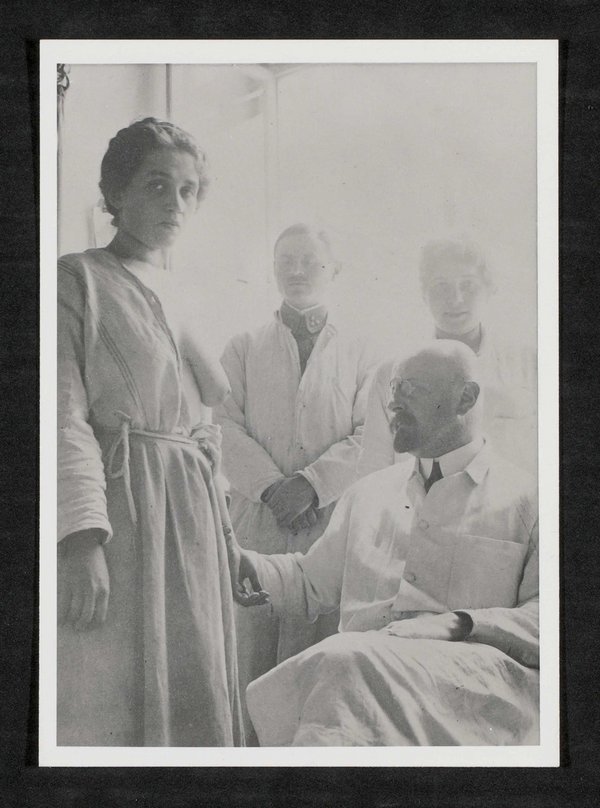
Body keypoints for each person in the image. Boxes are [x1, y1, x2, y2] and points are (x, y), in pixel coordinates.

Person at [57, 117, 266, 747]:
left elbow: (202, 428)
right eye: (155, 185)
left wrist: (227, 536)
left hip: (192, 516)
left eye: (187, 190)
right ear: (116, 192)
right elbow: (63, 417)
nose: (175, 203)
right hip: (123, 514)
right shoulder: (77, 280)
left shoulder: (184, 294)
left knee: (196, 683)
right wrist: (81, 539)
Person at [242, 341, 539, 747]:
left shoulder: (530, 499)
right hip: (357, 683)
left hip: (470, 695)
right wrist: (239, 564)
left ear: (466, 398)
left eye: (412, 388)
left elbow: (551, 618)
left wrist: (459, 623)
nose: (393, 401)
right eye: (394, 388)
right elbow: (308, 583)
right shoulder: (367, 494)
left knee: (339, 663)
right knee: (339, 670)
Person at [214, 223, 376, 740]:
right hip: (257, 522)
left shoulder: (363, 350)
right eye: (286, 260)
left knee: (321, 661)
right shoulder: (243, 346)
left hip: (328, 524)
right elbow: (221, 425)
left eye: (309, 259)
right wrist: (271, 488)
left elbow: (372, 433)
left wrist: (310, 484)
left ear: (335, 269)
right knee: (250, 655)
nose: (297, 270)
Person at [357, 236, 537, 479]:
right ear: (424, 294)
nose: (455, 299)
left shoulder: (530, 364)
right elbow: (372, 471)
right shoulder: (390, 372)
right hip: (415, 501)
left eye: (468, 285)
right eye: (441, 286)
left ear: (489, 288)